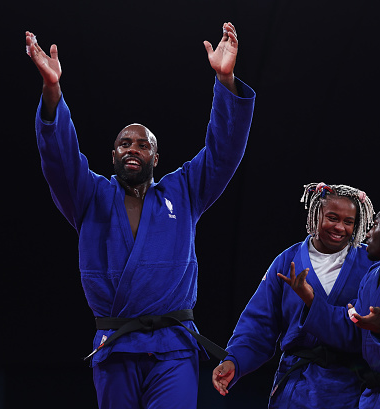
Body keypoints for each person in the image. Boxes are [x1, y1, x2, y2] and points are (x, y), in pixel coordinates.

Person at [26, 22, 255, 409]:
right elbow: (60, 160)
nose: (133, 148)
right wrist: (52, 91)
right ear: (113, 156)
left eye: (143, 144)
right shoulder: (90, 195)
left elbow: (223, 153)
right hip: (115, 347)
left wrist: (226, 79)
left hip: (174, 347)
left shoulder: (182, 191)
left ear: (156, 157)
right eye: (124, 143)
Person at [212, 183, 375, 408]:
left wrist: (311, 301)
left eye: (348, 222)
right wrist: (234, 360)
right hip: (295, 385)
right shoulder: (287, 261)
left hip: (349, 387)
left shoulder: (370, 263)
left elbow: (365, 328)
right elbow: (259, 324)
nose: (339, 227)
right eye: (332, 218)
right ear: (315, 214)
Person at [284, 204, 380, 409]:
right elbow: (351, 326)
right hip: (374, 391)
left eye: (374, 226)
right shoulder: (372, 274)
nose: (367, 234)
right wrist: (311, 300)